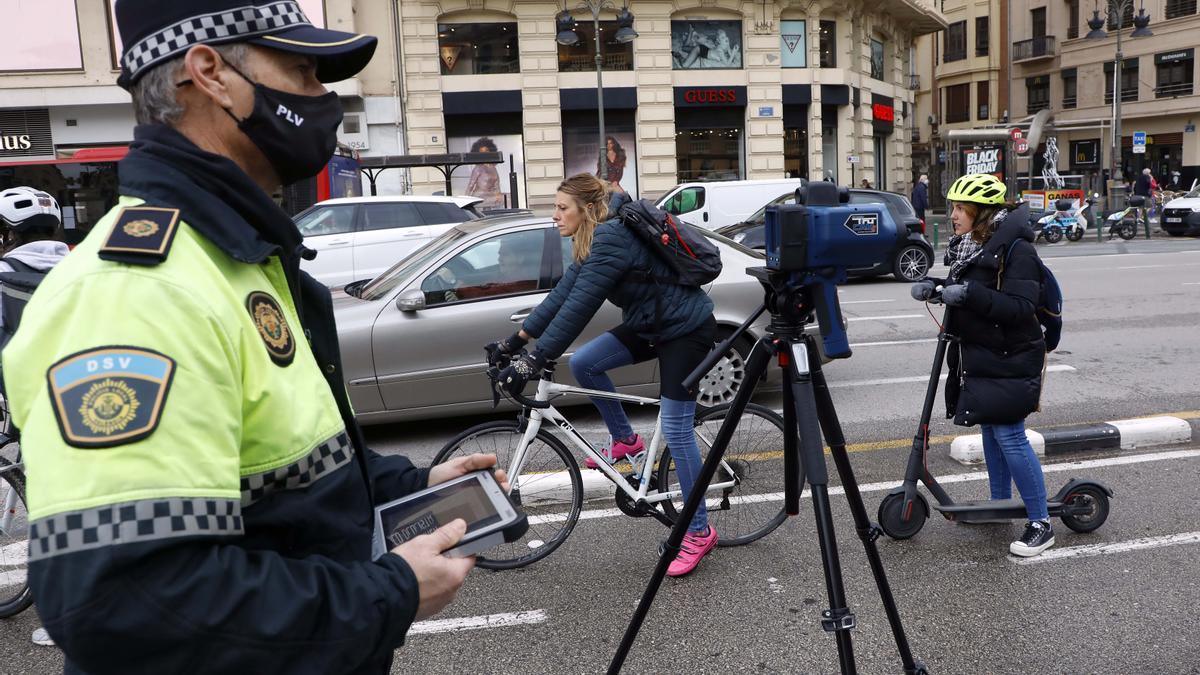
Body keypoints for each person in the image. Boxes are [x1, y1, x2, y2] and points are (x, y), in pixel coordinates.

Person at [2, 2, 506, 672]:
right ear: (208, 72)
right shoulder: (137, 290)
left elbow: (280, 475)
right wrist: (391, 592)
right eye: (301, 69)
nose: (323, 97)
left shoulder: (236, 256)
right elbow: (128, 601)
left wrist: (409, 483)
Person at [488, 174, 719, 577]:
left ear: (586, 209)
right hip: (652, 324)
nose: (554, 216)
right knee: (585, 364)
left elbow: (580, 309)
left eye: (562, 208)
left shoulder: (611, 238)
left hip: (685, 330)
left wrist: (534, 359)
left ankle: (699, 530)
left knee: (678, 431)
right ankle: (627, 443)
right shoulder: (592, 241)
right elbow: (563, 296)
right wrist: (514, 341)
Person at [909, 173, 1054, 558]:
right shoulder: (969, 246)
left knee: (1009, 434)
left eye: (960, 208)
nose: (952, 215)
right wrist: (936, 287)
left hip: (1012, 354)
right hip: (983, 353)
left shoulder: (1017, 250)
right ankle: (1000, 503)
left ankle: (1041, 522)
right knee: (991, 430)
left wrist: (969, 294)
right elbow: (973, 287)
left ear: (982, 213)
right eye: (953, 207)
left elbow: (1020, 308)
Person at [465, 137, 505, 209]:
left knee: (503, 201)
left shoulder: (493, 168)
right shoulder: (478, 168)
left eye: (486, 151)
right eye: (482, 152)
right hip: (480, 197)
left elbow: (497, 186)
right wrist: (465, 199)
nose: (485, 154)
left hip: (490, 196)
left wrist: (498, 195)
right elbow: (471, 185)